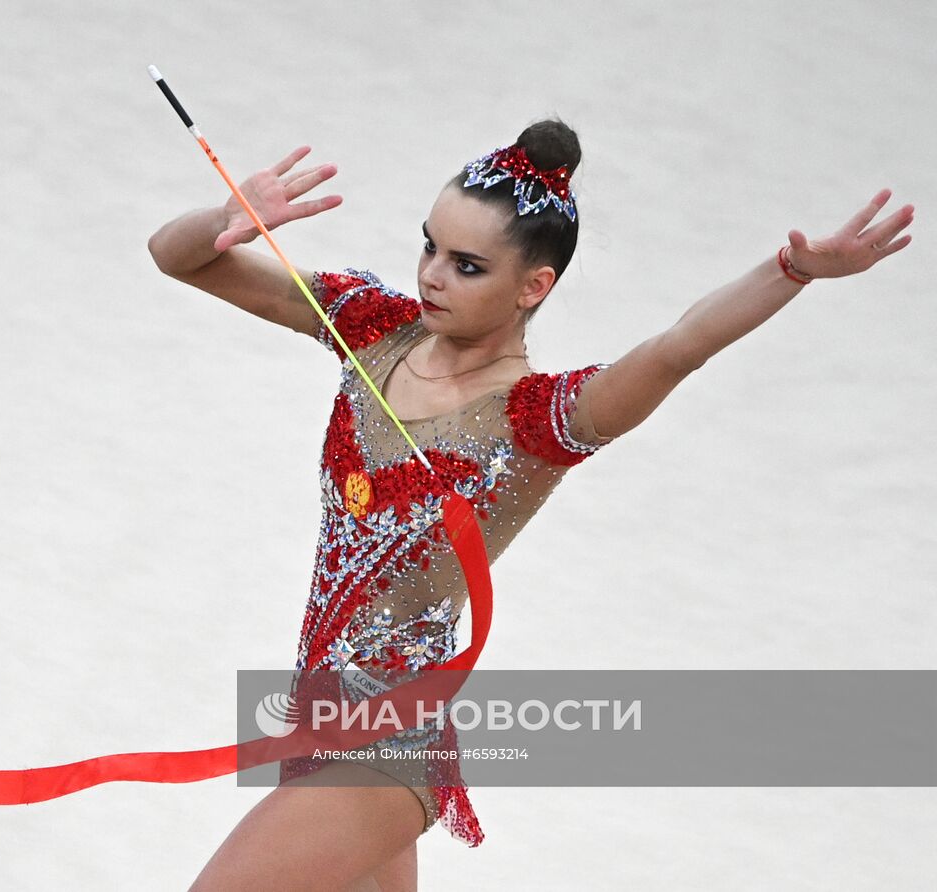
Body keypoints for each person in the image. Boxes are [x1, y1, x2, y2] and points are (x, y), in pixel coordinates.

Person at [147, 119, 914, 891]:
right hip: (314, 717)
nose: (432, 277)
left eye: (467, 265)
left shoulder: (538, 420)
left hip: (385, 741)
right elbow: (175, 260)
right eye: (430, 247)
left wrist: (792, 269)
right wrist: (222, 224)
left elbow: (681, 344)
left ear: (533, 287)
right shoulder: (371, 330)